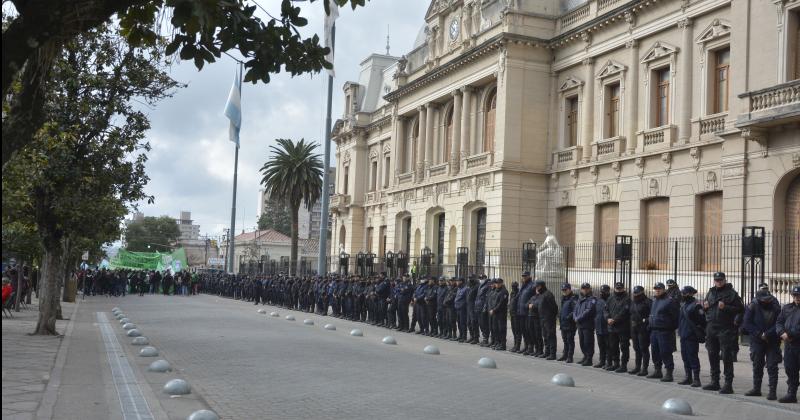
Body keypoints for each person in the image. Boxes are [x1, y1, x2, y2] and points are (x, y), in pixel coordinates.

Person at [702, 271, 744, 394]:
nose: (718, 282)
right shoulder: (710, 292)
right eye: (716, 280)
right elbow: (706, 307)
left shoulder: (731, 293)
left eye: (720, 280)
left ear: (725, 280)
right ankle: (714, 381)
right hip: (711, 327)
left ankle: (728, 384)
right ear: (714, 281)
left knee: (726, 356)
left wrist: (725, 307)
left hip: (725, 328)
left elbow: (740, 309)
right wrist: (705, 308)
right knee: (712, 353)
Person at [742, 288, 781, 399]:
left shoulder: (775, 306)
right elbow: (747, 323)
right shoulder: (752, 305)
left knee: (772, 365)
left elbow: (779, 322)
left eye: (768, 299)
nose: (766, 301)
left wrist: (767, 334)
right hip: (757, 340)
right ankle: (756, 389)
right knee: (757, 364)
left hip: (772, 340)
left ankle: (772, 391)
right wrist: (759, 334)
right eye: (764, 300)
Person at [648, 282, 679, 382]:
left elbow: (675, 317)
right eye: (656, 288)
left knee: (665, 352)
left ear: (664, 289)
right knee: (655, 352)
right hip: (654, 330)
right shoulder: (654, 300)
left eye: (659, 289)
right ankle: (658, 371)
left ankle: (669, 373)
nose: (657, 290)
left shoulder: (669, 301)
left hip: (665, 331)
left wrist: (669, 328)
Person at [776, 285, 800, 403]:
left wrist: (790, 334)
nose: (797, 298)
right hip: (789, 345)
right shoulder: (787, 308)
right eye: (795, 295)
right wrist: (781, 332)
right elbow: (779, 322)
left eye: (799, 295)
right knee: (790, 369)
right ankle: (791, 393)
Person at [678, 286, 706, 388]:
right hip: (683, 335)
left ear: (690, 294)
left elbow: (702, 321)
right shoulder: (683, 304)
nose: (682, 295)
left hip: (691, 336)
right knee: (685, 357)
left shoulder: (696, 306)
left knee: (692, 357)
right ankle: (688, 377)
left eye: (684, 293)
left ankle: (696, 379)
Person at [605, 282, 631, 373]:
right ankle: (615, 363)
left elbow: (624, 312)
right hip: (612, 327)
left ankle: (623, 365)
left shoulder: (627, 299)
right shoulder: (611, 298)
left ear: (623, 289)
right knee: (613, 346)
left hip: (623, 327)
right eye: (617, 288)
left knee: (624, 347)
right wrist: (608, 318)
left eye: (620, 288)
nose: (619, 290)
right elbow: (606, 309)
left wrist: (615, 319)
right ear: (614, 288)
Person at [629, 285, 652, 376]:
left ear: (642, 293)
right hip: (634, 328)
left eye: (637, 293)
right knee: (636, 348)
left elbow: (651, 316)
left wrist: (644, 321)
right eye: (634, 293)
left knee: (643, 348)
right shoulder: (633, 302)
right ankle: (637, 367)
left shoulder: (648, 302)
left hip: (643, 329)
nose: (635, 295)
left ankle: (644, 369)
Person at [535, 279, 559, 360]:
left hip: (549, 319)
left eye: (538, 286)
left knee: (550, 336)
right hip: (542, 318)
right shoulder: (541, 294)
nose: (536, 288)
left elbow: (554, 307)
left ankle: (552, 354)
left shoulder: (548, 294)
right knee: (545, 336)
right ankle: (547, 352)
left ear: (541, 286)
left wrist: (551, 317)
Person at [574, 283, 597, 366]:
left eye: (587, 288)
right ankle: (585, 356)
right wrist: (575, 316)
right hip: (580, 324)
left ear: (590, 289)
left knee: (588, 342)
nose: (585, 290)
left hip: (587, 324)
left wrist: (578, 317)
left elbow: (589, 310)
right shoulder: (580, 299)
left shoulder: (592, 299)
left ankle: (589, 358)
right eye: (583, 288)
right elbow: (575, 309)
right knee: (582, 342)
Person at [559, 283, 578, 363]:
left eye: (565, 290)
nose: (564, 291)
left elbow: (575, 310)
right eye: (563, 290)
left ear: (569, 290)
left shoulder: (573, 298)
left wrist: (568, 317)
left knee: (570, 340)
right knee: (565, 340)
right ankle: (565, 355)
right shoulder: (564, 298)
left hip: (570, 323)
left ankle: (570, 356)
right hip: (563, 323)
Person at [488, 278, 508, 351]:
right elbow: (491, 301)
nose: (497, 284)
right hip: (494, 313)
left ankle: (502, 345)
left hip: (501, 313)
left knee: (501, 329)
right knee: (495, 329)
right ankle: (497, 343)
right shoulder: (495, 291)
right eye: (496, 283)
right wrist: (491, 309)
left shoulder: (504, 292)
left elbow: (501, 303)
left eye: (498, 283)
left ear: (501, 283)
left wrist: (494, 309)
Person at [518, 272, 535, 355]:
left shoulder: (532, 285)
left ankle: (530, 347)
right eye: (523, 276)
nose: (524, 277)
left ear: (529, 276)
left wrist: (528, 304)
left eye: (525, 276)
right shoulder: (523, 285)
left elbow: (534, 297)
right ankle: (526, 346)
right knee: (523, 330)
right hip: (521, 311)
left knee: (528, 330)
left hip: (528, 312)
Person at [593, 285, 610, 369]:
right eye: (601, 291)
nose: (602, 293)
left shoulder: (610, 300)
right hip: (598, 327)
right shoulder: (598, 301)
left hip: (607, 327)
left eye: (604, 292)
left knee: (608, 346)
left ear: (608, 292)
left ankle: (608, 362)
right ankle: (602, 361)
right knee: (601, 345)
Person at [454, 277, 469, 342]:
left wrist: (463, 306)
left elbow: (466, 299)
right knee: (459, 323)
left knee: (463, 323)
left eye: (458, 281)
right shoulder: (459, 288)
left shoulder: (465, 289)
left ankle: (464, 336)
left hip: (462, 309)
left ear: (461, 282)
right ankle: (460, 335)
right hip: (457, 308)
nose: (456, 282)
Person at [509, 281, 522, 352]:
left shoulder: (518, 293)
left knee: (517, 331)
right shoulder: (512, 293)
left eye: (514, 286)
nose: (513, 287)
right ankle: (515, 345)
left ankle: (517, 346)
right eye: (512, 286)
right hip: (512, 313)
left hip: (517, 314)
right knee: (514, 330)